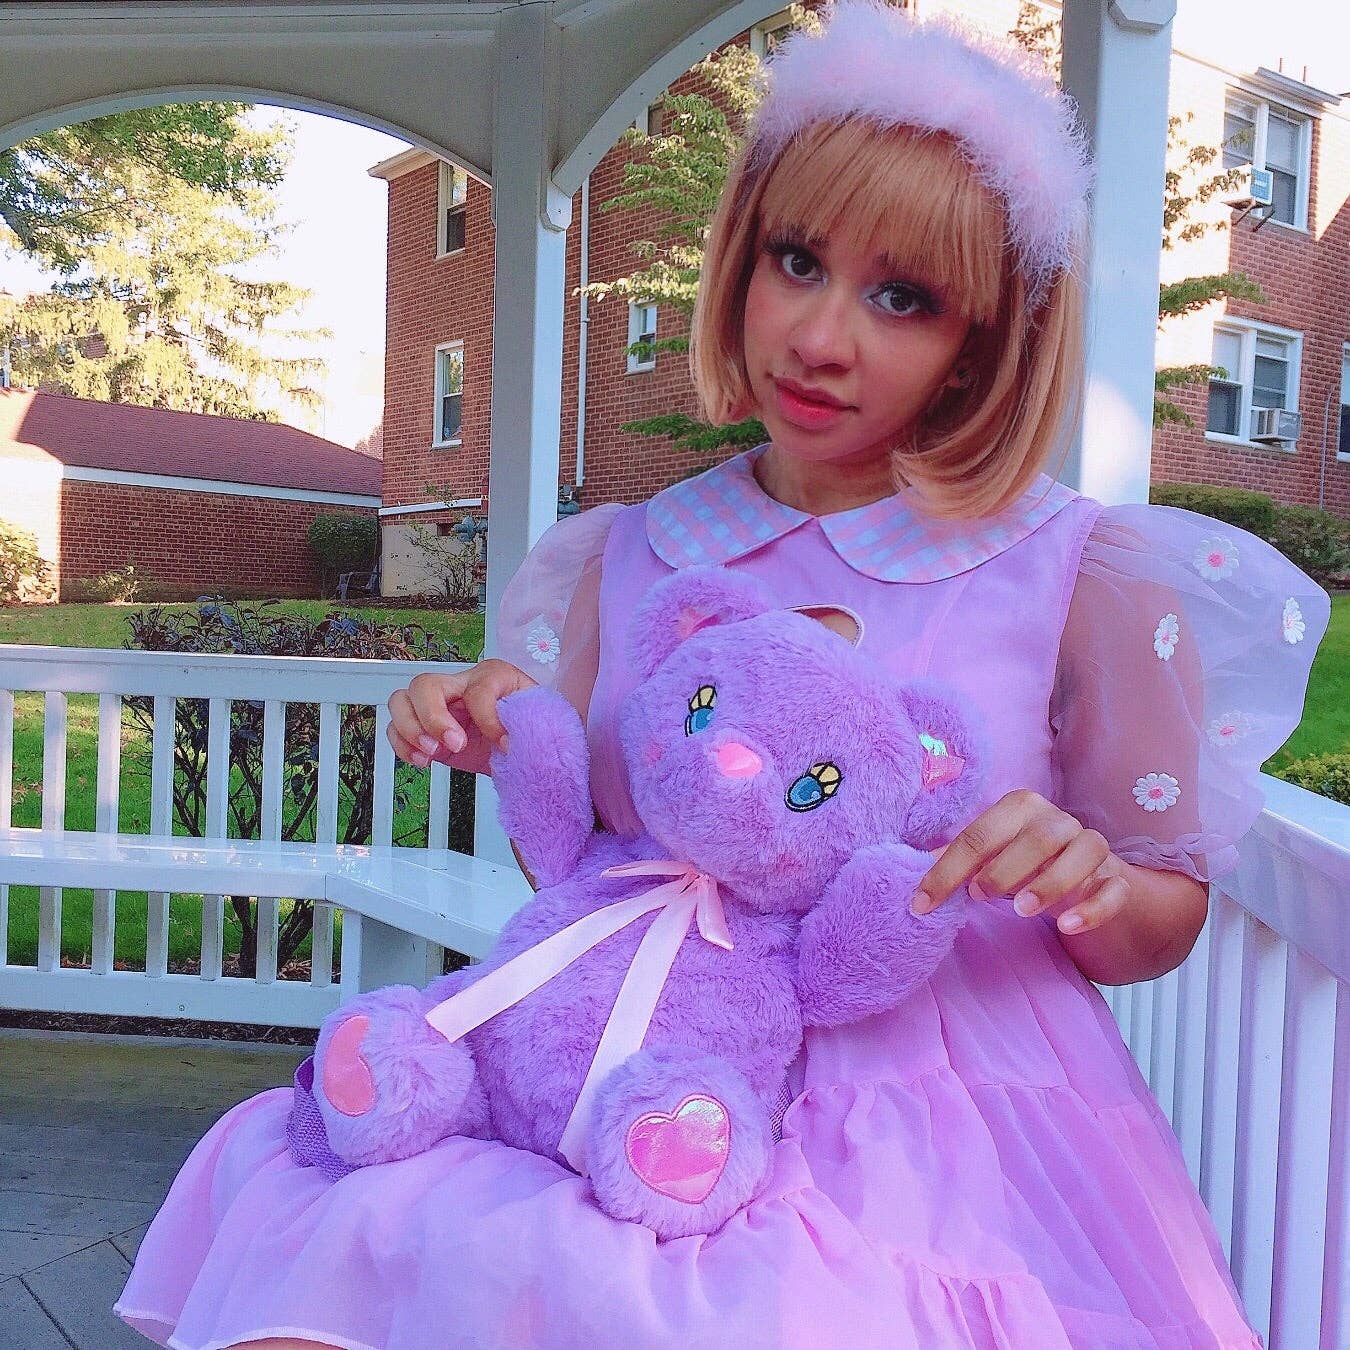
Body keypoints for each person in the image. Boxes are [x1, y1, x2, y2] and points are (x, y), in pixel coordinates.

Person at [116, 4, 1329, 1347]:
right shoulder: (630, 555)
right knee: (350, 1256)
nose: (819, 337)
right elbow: (586, 868)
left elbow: (1161, 921)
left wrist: (1092, 880)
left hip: (936, 1131)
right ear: (741, 259)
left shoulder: (1071, 572)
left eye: (903, 298)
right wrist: (491, 729)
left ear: (983, 341)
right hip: (635, 1075)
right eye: (795, 261)